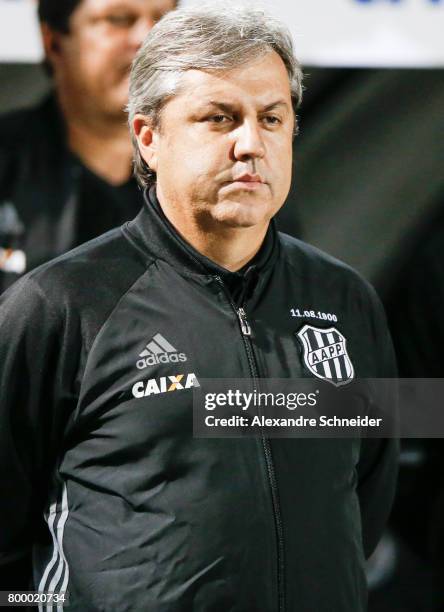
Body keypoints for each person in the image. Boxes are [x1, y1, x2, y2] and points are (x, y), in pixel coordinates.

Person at [0, 5, 398, 610]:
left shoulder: (346, 300)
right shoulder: (59, 305)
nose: (250, 144)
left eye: (271, 118)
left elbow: (363, 498)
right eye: (219, 118)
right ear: (148, 138)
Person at [0, 0, 176, 293]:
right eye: (118, 19)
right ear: (53, 42)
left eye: (164, 20)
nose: (148, 39)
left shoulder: (216, 173)